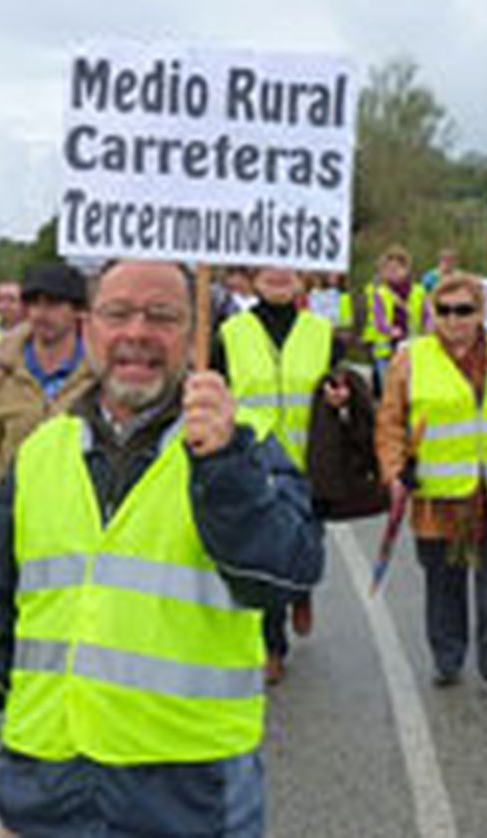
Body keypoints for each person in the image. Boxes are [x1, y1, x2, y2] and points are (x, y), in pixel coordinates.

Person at [0, 260, 323, 837]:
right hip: (44, 790)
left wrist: (225, 467)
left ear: (194, 333)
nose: (137, 332)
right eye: (118, 313)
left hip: (188, 797)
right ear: (89, 328)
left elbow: (287, 573)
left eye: (162, 316)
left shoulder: (245, 442)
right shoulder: (42, 452)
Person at [376, 273, 487, 698]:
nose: (453, 319)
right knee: (445, 584)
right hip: (440, 497)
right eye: (443, 311)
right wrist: (394, 472)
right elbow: (390, 423)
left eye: (464, 310)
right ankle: (448, 657)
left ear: (481, 312)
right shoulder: (411, 358)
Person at [212, 266, 348, 684]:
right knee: (265, 553)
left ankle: (301, 589)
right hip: (256, 463)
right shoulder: (230, 334)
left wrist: (340, 397)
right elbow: (215, 389)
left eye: (287, 269)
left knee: (305, 545)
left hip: (309, 463)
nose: (278, 275)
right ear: (254, 278)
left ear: (302, 278)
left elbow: (340, 387)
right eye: (268, 270)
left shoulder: (322, 333)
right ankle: (272, 645)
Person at [0, 263, 93, 560]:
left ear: (78, 311)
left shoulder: (101, 376)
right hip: (12, 521)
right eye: (33, 303)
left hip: (80, 525)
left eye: (53, 304)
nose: (40, 313)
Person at [362, 245, 426, 396]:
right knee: (389, 392)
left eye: (397, 268)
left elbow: (427, 316)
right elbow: (378, 318)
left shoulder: (419, 292)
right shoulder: (380, 293)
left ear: (406, 270)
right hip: (386, 350)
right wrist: (390, 330)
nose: (393, 272)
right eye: (388, 269)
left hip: (411, 348)